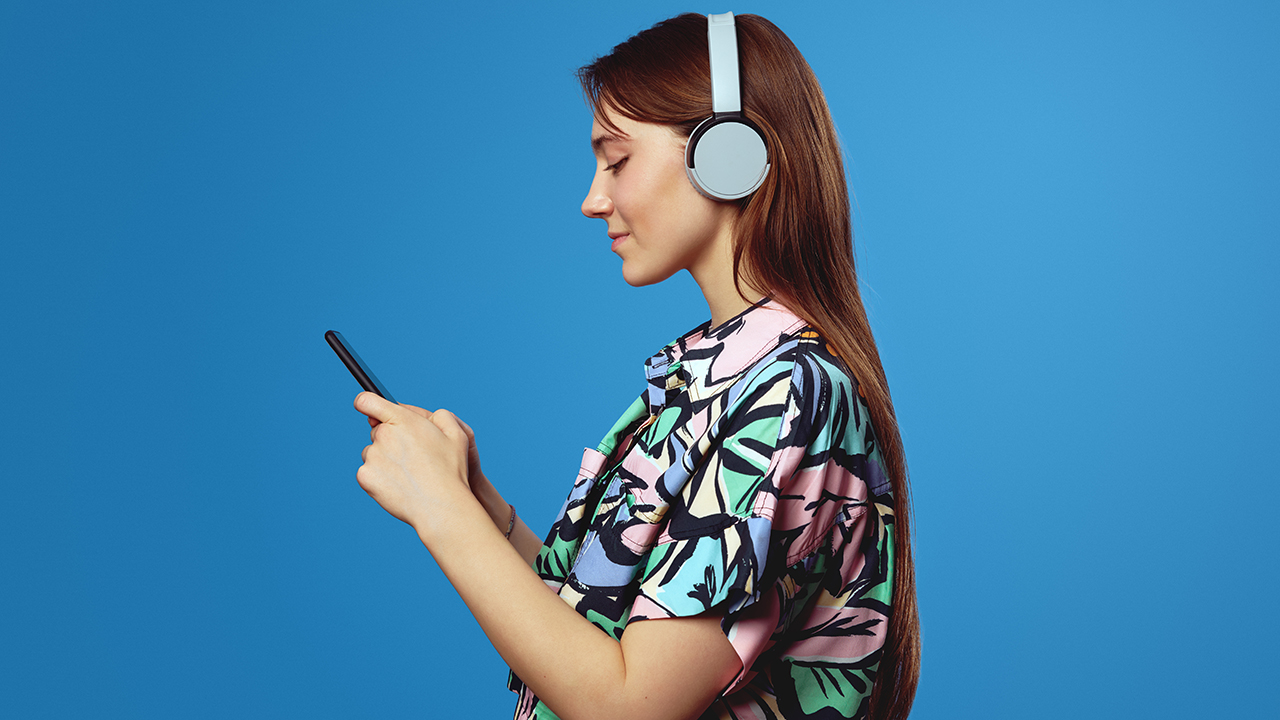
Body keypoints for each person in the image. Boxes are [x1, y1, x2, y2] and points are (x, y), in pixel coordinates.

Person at [351, 12, 920, 720]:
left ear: (728, 156)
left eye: (617, 160)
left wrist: (439, 512)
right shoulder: (709, 384)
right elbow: (609, 630)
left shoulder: (789, 395)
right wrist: (481, 509)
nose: (593, 201)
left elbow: (628, 704)